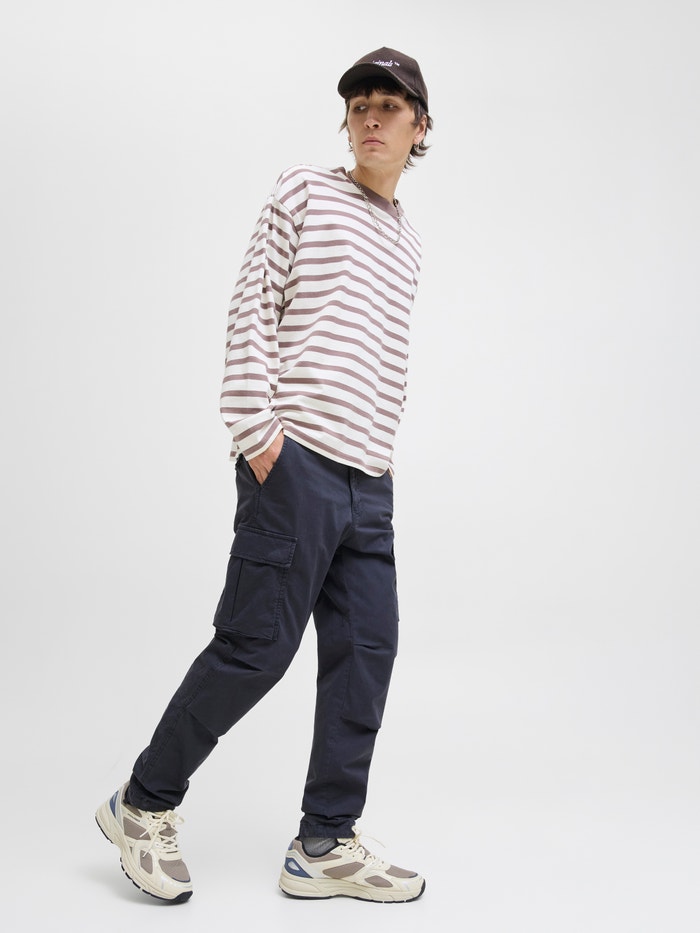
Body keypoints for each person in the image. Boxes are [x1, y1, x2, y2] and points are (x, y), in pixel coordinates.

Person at [96, 46, 433, 904]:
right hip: (296, 463)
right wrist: (258, 435)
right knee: (256, 647)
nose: (371, 116)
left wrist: (381, 455)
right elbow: (253, 305)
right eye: (359, 103)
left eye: (390, 105)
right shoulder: (303, 191)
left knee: (366, 654)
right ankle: (143, 801)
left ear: (420, 127)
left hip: (368, 480)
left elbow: (383, 358)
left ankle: (325, 840)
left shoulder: (407, 241)